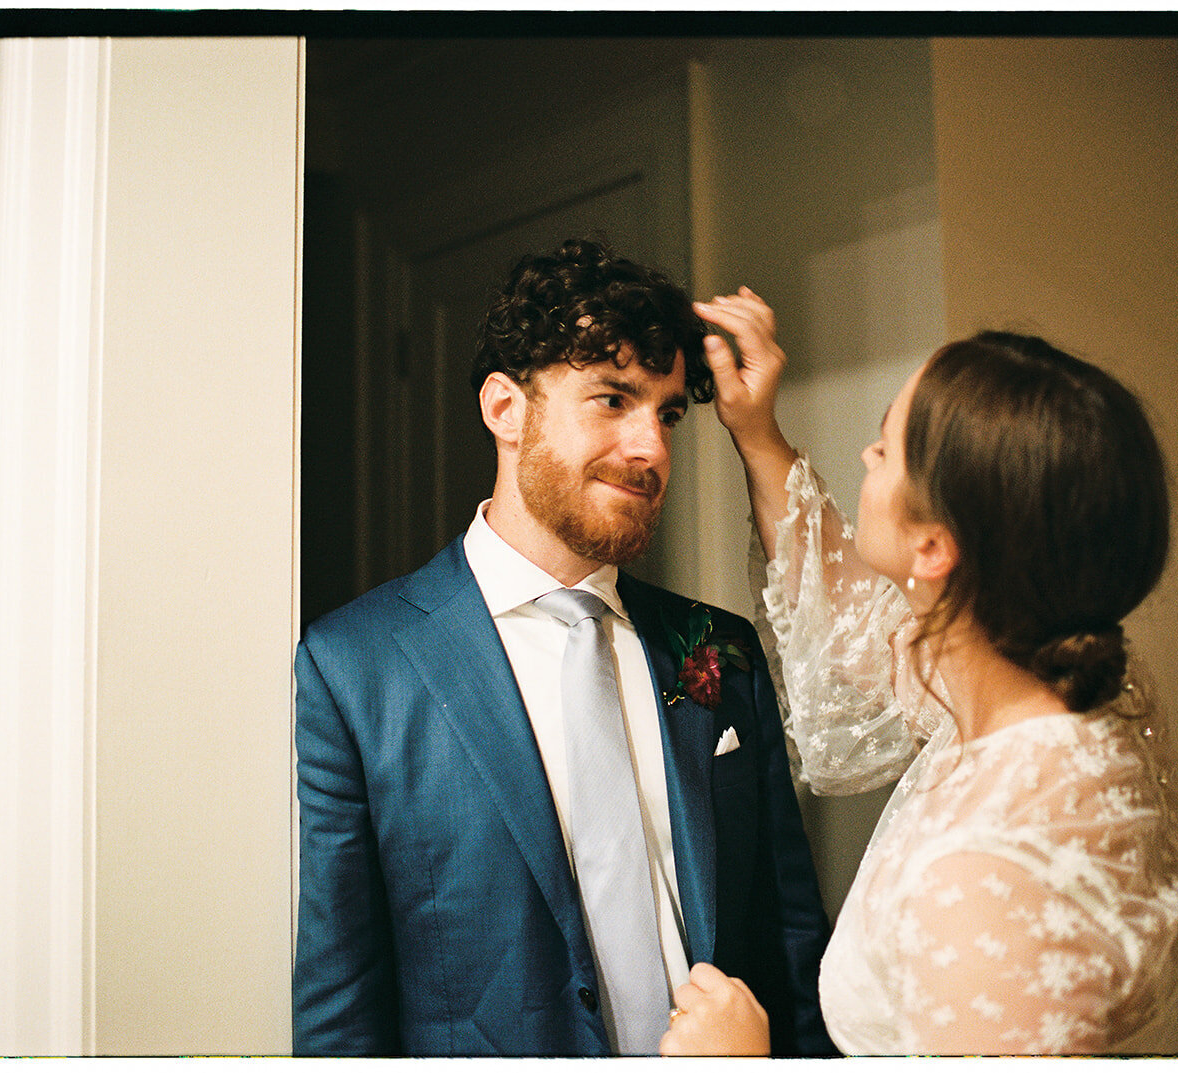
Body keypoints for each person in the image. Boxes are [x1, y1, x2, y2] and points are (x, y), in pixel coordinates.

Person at [293, 245, 834, 1057]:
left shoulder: (717, 649)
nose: (650, 448)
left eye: (667, 414)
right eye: (612, 400)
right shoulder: (357, 666)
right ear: (505, 409)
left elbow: (792, 948)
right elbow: (341, 1004)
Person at [661, 289, 1178, 1056]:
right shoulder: (1084, 684)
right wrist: (757, 433)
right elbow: (851, 622)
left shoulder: (988, 878)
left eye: (884, 446)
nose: (866, 458)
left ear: (936, 549)